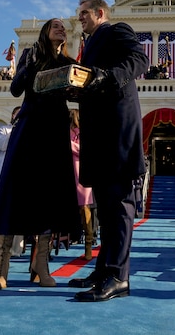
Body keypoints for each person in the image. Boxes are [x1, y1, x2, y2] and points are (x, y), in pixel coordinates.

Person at [0, 18, 82, 289]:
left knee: (49, 196)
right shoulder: (31, 55)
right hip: (30, 127)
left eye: (64, 28)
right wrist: (30, 67)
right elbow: (16, 88)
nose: (61, 29)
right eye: (56, 26)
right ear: (44, 33)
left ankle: (41, 266)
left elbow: (75, 95)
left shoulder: (68, 61)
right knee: (16, 191)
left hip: (54, 130)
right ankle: (1, 267)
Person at [67, 0, 149, 302]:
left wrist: (109, 76)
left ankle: (118, 276)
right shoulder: (89, 45)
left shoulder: (116, 31)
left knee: (119, 207)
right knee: (106, 207)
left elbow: (140, 59)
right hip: (98, 132)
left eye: (85, 14)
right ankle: (103, 269)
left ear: (101, 13)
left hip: (116, 131)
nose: (80, 19)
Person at [0, 106, 20, 290]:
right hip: (2, 173)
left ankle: (18, 250)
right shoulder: (5, 129)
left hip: (20, 175)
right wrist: (15, 128)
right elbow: (3, 145)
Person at [69, 109, 96, 262]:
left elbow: (85, 151)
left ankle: (88, 245)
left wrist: (70, 145)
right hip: (69, 173)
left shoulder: (85, 132)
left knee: (85, 210)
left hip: (81, 174)